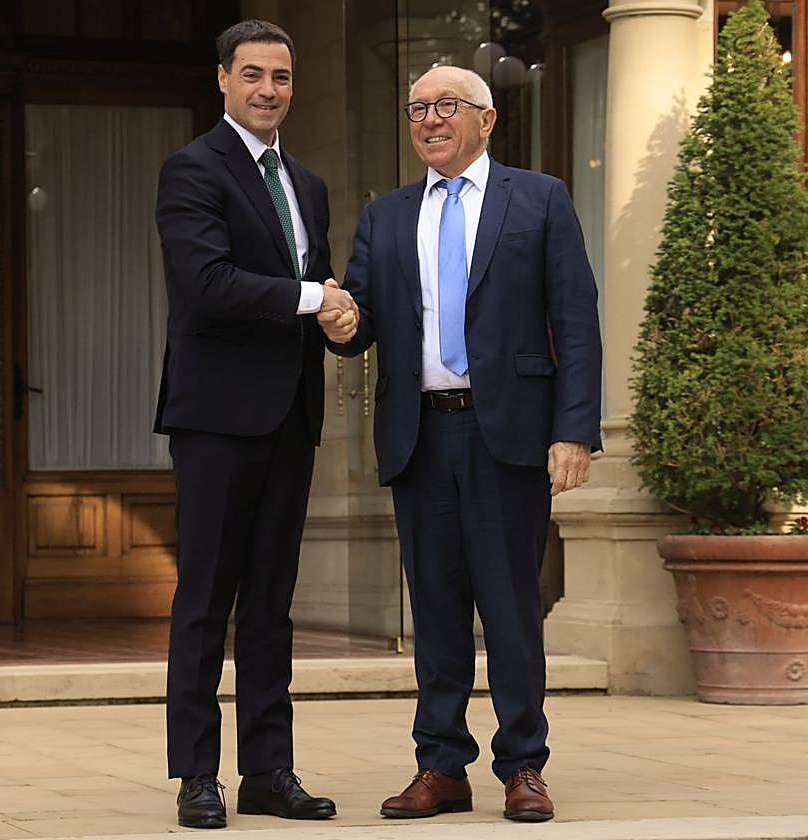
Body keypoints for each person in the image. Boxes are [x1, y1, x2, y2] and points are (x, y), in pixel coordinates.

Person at [319, 65, 602, 823]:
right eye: (417, 108)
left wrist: (574, 430)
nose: (430, 120)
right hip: (419, 433)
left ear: (487, 119)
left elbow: (576, 320)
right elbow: (364, 319)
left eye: (447, 106)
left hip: (505, 431)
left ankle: (522, 765)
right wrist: (344, 326)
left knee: (509, 608)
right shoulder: (387, 215)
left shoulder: (538, 200)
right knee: (435, 609)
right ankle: (440, 766)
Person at [154, 19, 357, 831]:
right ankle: (195, 775)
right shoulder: (191, 170)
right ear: (222, 80)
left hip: (289, 416)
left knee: (272, 603)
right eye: (252, 74)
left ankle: (268, 769)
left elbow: (316, 280)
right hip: (215, 419)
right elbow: (204, 284)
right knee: (205, 599)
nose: (268, 88)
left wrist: (338, 315)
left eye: (280, 75)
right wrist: (315, 299)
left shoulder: (307, 184)